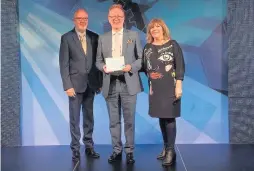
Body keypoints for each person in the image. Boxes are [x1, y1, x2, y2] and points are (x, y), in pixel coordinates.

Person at [96, 4, 143, 164]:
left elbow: (140, 59)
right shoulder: (102, 38)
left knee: (129, 120)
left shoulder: (134, 35)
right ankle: (117, 150)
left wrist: (132, 67)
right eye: (112, 17)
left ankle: (130, 151)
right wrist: (103, 67)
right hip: (110, 83)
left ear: (123, 19)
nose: (116, 19)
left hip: (128, 82)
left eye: (119, 16)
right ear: (109, 19)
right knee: (113, 121)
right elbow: (98, 61)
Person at [59, 9, 102, 162]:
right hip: (74, 86)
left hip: (91, 85)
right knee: (75, 119)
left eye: (85, 18)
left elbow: (98, 62)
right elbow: (63, 64)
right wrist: (67, 85)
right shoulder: (66, 38)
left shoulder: (94, 37)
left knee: (89, 118)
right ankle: (75, 149)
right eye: (79, 18)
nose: (82, 21)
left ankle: (89, 146)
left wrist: (99, 82)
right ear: (74, 20)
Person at [143, 18, 185, 166]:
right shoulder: (147, 47)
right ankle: (166, 148)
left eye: (158, 27)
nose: (155, 29)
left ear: (163, 29)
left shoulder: (173, 45)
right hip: (155, 89)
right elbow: (144, 67)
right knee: (162, 117)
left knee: (169, 117)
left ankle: (171, 152)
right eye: (152, 28)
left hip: (170, 87)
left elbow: (179, 66)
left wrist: (178, 85)